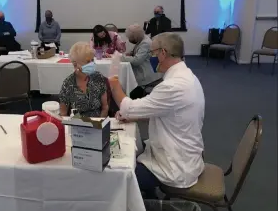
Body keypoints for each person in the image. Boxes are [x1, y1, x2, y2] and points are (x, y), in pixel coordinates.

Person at [109, 32, 205, 198]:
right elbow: (166, 112)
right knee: (132, 150)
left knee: (117, 176)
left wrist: (113, 81)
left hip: (175, 166)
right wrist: (136, 115)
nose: (151, 58)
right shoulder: (187, 77)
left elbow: (127, 107)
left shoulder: (173, 86)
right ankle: (148, 199)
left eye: (152, 53)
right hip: (183, 155)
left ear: (163, 53)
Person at [59, 42, 109, 117]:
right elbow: (63, 114)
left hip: (97, 122)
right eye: (88, 62)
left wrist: (99, 126)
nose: (92, 64)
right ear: (75, 65)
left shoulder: (98, 78)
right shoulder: (68, 84)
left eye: (92, 60)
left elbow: (105, 108)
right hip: (77, 124)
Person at [122, 24, 162, 99]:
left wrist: (121, 57)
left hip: (146, 76)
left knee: (128, 90)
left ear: (135, 37)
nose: (129, 40)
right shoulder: (142, 39)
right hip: (145, 71)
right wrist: (130, 53)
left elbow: (137, 61)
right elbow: (137, 51)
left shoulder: (145, 43)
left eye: (130, 38)